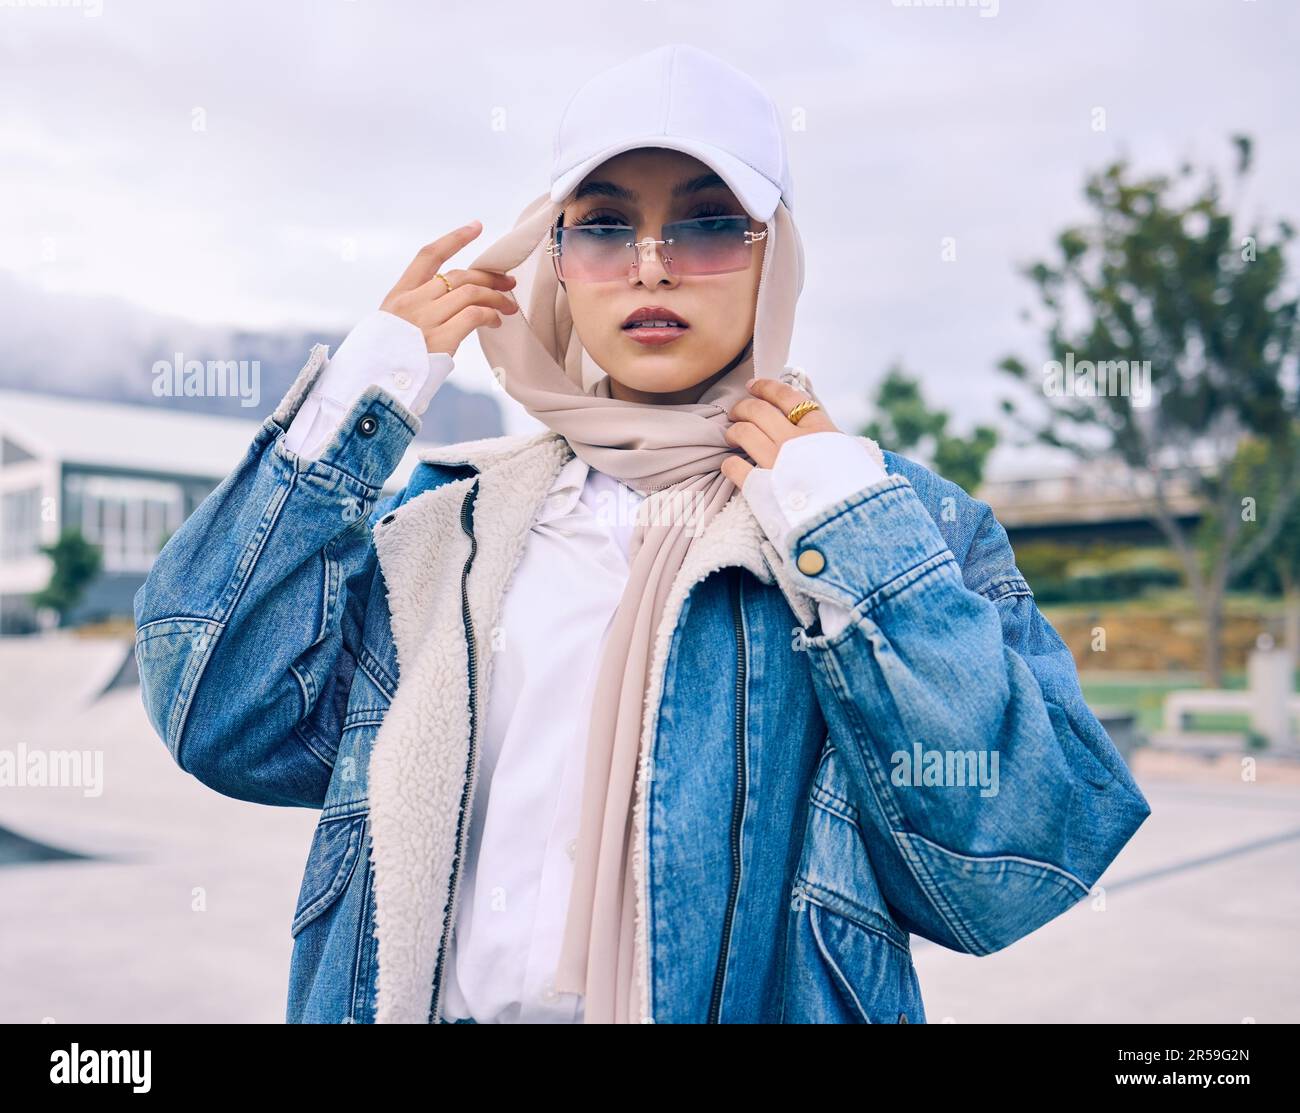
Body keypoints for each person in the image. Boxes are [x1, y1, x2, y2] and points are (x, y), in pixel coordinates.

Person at [134, 44, 1151, 1025]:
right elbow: (220, 716)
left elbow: (1016, 855)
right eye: (606, 228)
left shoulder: (891, 521)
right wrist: (358, 405)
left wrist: (856, 536)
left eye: (708, 227)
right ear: (556, 262)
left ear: (773, 259)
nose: (652, 267)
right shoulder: (443, 525)